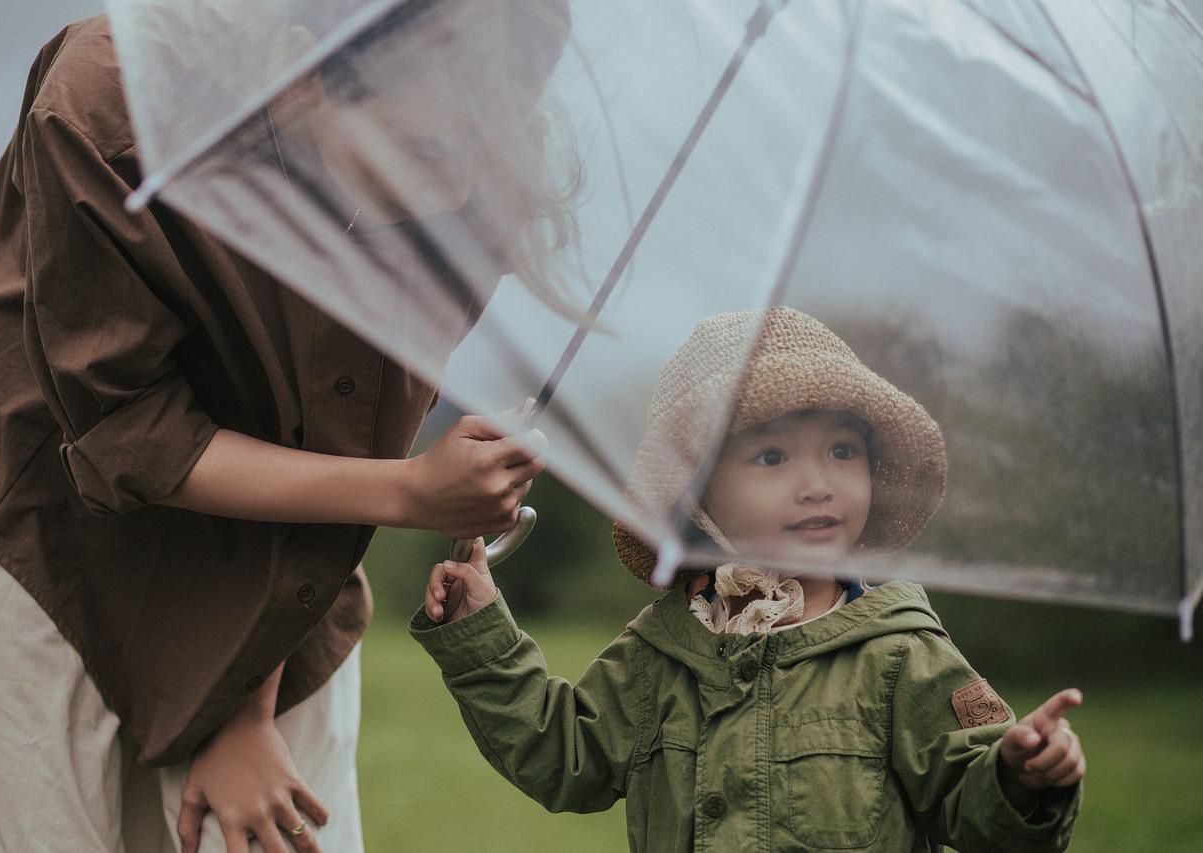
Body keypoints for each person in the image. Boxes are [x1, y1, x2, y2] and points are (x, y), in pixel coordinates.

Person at [0, 1, 571, 851]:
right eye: (423, 152)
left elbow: (346, 439)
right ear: (301, 79)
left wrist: (246, 702)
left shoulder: (475, 183)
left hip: (287, 547)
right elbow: (125, 428)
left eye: (488, 147)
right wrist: (415, 491)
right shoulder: (112, 100)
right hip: (39, 524)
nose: (450, 192)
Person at [410, 307, 1085, 852]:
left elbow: (973, 809)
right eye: (772, 455)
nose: (818, 483)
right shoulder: (663, 648)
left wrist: (1020, 779)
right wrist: (482, 635)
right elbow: (564, 755)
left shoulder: (900, 651)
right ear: (698, 496)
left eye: (843, 451)